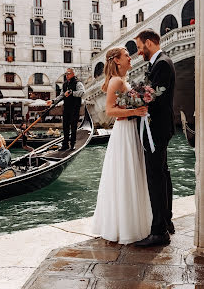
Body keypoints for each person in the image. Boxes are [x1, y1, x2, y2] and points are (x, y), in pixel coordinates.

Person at [92, 47, 152, 244]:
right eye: (127, 55)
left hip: (129, 131)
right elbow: (109, 110)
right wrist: (135, 111)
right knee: (127, 174)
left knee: (129, 173)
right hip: (124, 131)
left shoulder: (122, 81)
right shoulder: (117, 81)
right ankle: (127, 227)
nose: (130, 57)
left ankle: (129, 223)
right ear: (117, 61)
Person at [134, 29, 176, 247]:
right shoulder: (159, 63)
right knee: (163, 173)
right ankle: (166, 220)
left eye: (140, 47)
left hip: (156, 130)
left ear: (149, 43)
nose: (139, 52)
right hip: (160, 128)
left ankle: (159, 231)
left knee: (155, 177)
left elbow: (154, 99)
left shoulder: (162, 64)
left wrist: (133, 103)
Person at [47, 68, 85, 151]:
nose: (67, 75)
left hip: (75, 108)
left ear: (73, 74)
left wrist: (71, 92)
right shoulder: (64, 84)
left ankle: (72, 144)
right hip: (66, 108)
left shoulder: (78, 83)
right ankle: (65, 145)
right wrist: (53, 101)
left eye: (68, 73)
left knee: (73, 126)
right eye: (66, 74)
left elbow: (82, 92)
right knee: (65, 126)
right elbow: (61, 96)